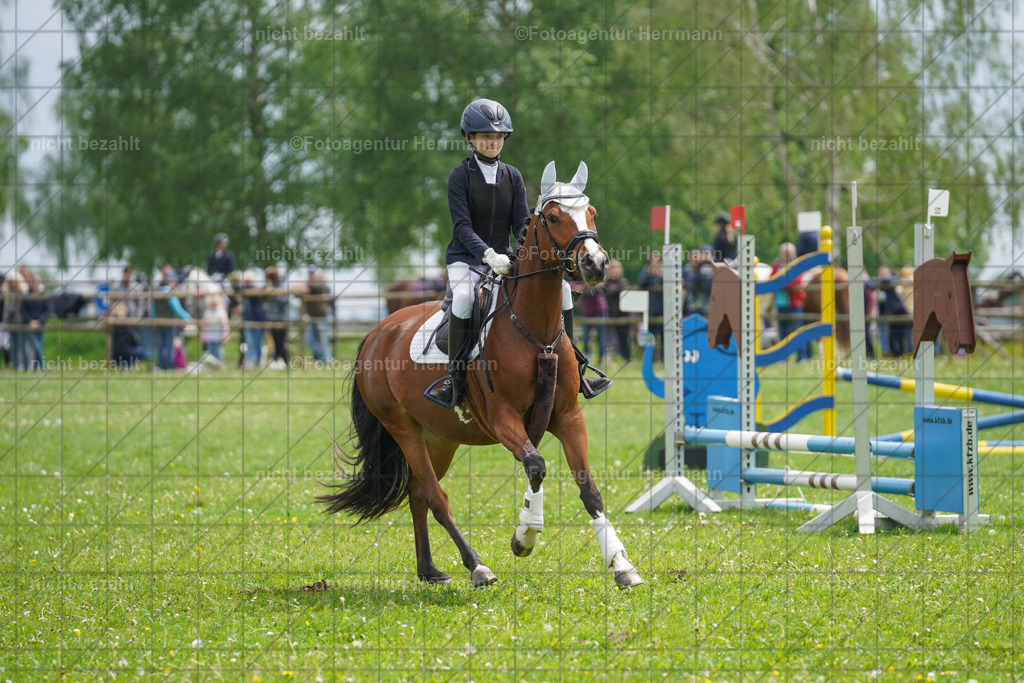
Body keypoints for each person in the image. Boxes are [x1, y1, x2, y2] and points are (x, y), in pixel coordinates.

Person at [426, 98, 610, 408]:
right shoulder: (460, 176)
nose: (492, 142)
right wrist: (488, 255)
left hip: (506, 258)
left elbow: (521, 224)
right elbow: (462, 227)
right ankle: (454, 381)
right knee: (465, 298)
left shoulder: (512, 175)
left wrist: (526, 249)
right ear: (470, 138)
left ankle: (577, 370)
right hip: (466, 260)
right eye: (485, 136)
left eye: (498, 136)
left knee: (564, 290)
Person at [771, 242, 809, 361]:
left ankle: (801, 357)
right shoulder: (777, 265)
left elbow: (796, 283)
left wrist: (779, 285)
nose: (786, 255)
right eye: (785, 253)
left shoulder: (798, 265)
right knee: (783, 332)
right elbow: (771, 279)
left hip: (795, 303)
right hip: (781, 303)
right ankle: (784, 358)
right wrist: (781, 284)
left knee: (797, 331)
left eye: (788, 253)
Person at [152, 274, 191, 370]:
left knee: (160, 345)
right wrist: (188, 317)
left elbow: (153, 310)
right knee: (169, 345)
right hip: (170, 322)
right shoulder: (170, 293)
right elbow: (176, 309)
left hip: (158, 322)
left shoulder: (156, 293)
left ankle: (160, 365)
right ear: (169, 283)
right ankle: (169, 365)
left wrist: (153, 321)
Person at [602, 259, 632, 362]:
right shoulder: (606, 282)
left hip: (623, 314)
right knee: (608, 338)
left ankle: (626, 358)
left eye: (615, 268)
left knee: (623, 337)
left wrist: (613, 289)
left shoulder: (623, 281)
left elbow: (618, 290)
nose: (613, 271)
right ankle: (608, 359)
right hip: (609, 313)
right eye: (611, 268)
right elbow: (605, 291)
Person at [303, 268, 334, 363]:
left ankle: (327, 359)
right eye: (310, 273)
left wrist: (304, 285)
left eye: (312, 273)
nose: (311, 275)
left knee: (324, 340)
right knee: (310, 341)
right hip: (311, 317)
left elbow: (317, 287)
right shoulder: (310, 285)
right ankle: (324, 358)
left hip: (321, 316)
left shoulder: (319, 284)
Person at [263, 266, 291, 369]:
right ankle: (277, 360)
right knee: (274, 341)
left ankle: (284, 361)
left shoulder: (282, 286)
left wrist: (274, 293)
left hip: (281, 318)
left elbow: (285, 301)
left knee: (282, 341)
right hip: (271, 318)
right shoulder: (267, 286)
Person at [637, 252, 664, 358]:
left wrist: (660, 276)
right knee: (650, 336)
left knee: (663, 336)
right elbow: (640, 284)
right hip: (650, 309)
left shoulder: (665, 273)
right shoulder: (645, 273)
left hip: (662, 309)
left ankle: (663, 358)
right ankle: (650, 358)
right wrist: (650, 274)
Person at [574, 282, 608, 363]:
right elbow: (572, 283)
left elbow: (599, 287)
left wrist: (582, 287)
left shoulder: (597, 278)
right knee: (585, 337)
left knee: (601, 337)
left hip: (599, 310)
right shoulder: (582, 277)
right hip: (587, 311)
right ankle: (587, 356)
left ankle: (602, 357)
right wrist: (577, 286)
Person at [22, 273, 50, 370]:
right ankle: (43, 366)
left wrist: (39, 321)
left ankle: (34, 367)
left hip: (41, 325)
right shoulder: (27, 295)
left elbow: (47, 311)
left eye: (38, 281)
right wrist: (30, 321)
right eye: (34, 281)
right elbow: (23, 310)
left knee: (38, 345)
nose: (36, 283)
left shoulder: (44, 295)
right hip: (29, 325)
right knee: (36, 345)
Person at [109, 303, 150, 369]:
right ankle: (126, 365)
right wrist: (137, 343)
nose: (126, 311)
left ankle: (119, 365)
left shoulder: (111, 324)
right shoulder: (126, 324)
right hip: (126, 351)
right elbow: (133, 339)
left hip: (114, 352)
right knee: (141, 351)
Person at [2, 271, 28, 370]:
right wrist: (6, 323)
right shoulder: (8, 294)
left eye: (14, 281)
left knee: (22, 346)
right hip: (11, 323)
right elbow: (6, 310)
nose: (12, 284)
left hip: (21, 322)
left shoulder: (23, 293)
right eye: (10, 282)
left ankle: (25, 366)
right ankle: (15, 366)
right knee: (13, 346)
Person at [683, 245, 714, 317]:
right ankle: (694, 299)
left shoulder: (711, 265)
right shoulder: (691, 268)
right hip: (694, 303)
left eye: (707, 254)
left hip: (706, 301)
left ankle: (707, 300)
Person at [200, 294, 230, 365]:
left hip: (218, 335)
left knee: (218, 351)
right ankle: (211, 364)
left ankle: (220, 364)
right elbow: (204, 325)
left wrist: (225, 335)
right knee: (210, 352)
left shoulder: (221, 312)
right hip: (209, 335)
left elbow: (225, 325)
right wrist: (203, 335)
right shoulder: (207, 312)